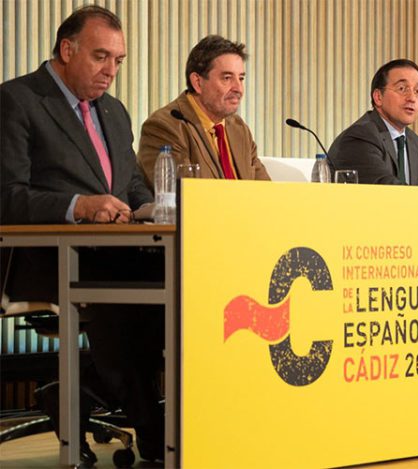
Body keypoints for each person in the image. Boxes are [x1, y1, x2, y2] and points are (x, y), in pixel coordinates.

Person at [0, 6, 164, 463]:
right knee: (128, 285)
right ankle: (151, 426)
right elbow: (7, 195)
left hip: (112, 250)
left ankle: (93, 392)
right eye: (100, 57)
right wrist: (79, 207)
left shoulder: (113, 111)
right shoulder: (17, 100)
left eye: (119, 60)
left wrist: (152, 207)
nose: (111, 71)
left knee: (176, 271)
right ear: (67, 49)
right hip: (40, 255)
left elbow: (129, 185)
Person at [138, 35, 270, 186]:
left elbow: (265, 192)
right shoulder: (164, 127)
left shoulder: (239, 128)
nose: (238, 88)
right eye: (227, 78)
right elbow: (181, 196)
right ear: (198, 82)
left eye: (240, 78)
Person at [328, 59, 418, 185]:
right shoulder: (360, 137)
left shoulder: (416, 144)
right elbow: (386, 189)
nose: (412, 98)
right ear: (378, 97)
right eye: (402, 88)